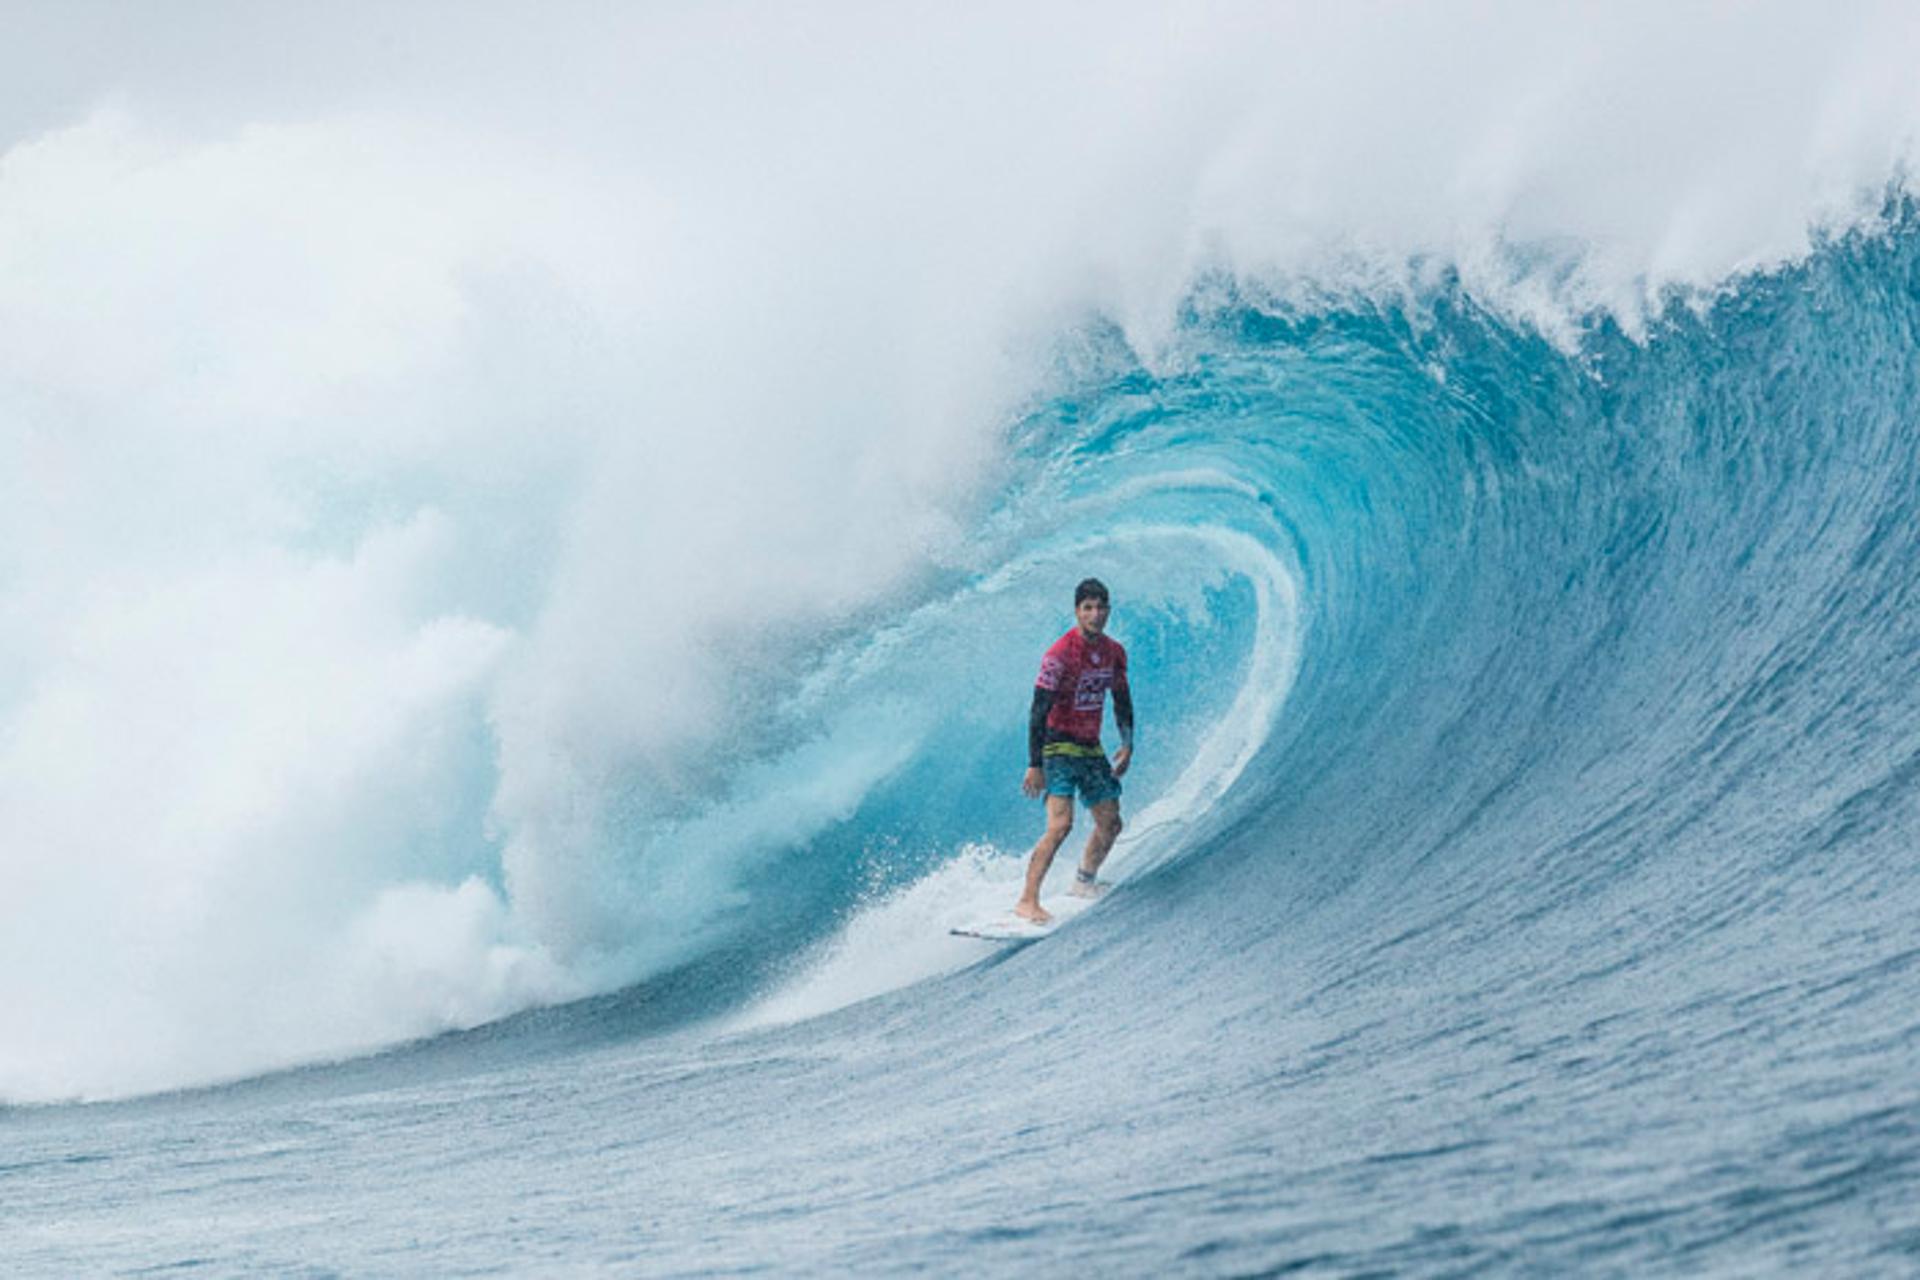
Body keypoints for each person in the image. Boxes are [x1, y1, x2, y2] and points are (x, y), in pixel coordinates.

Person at [1015, 578, 1134, 924]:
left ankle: (1084, 881)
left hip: (1090, 749)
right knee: (1060, 825)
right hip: (1057, 748)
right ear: (1077, 611)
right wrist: (1034, 764)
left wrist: (1127, 743)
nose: (1095, 615)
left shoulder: (1114, 652)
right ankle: (1027, 900)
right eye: (1088, 608)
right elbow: (1038, 709)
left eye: (1101, 608)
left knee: (1111, 823)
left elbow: (1122, 700)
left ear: (1108, 610)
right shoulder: (1059, 654)